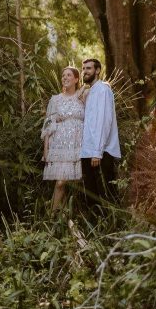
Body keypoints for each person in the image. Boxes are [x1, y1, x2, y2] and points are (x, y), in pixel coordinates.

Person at [41, 66, 84, 211]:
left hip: (77, 146)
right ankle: (52, 219)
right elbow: (47, 126)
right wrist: (45, 151)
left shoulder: (82, 97)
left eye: (69, 75)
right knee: (60, 183)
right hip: (59, 147)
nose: (65, 78)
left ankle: (65, 220)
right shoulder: (55, 100)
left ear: (76, 79)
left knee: (71, 187)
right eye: (63, 75)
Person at [79, 58, 120, 206]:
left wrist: (97, 152)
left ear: (97, 71)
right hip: (88, 149)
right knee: (91, 192)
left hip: (101, 151)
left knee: (106, 192)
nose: (85, 71)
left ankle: (114, 224)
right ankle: (95, 225)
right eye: (83, 68)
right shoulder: (90, 91)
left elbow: (104, 121)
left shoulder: (103, 89)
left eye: (88, 68)